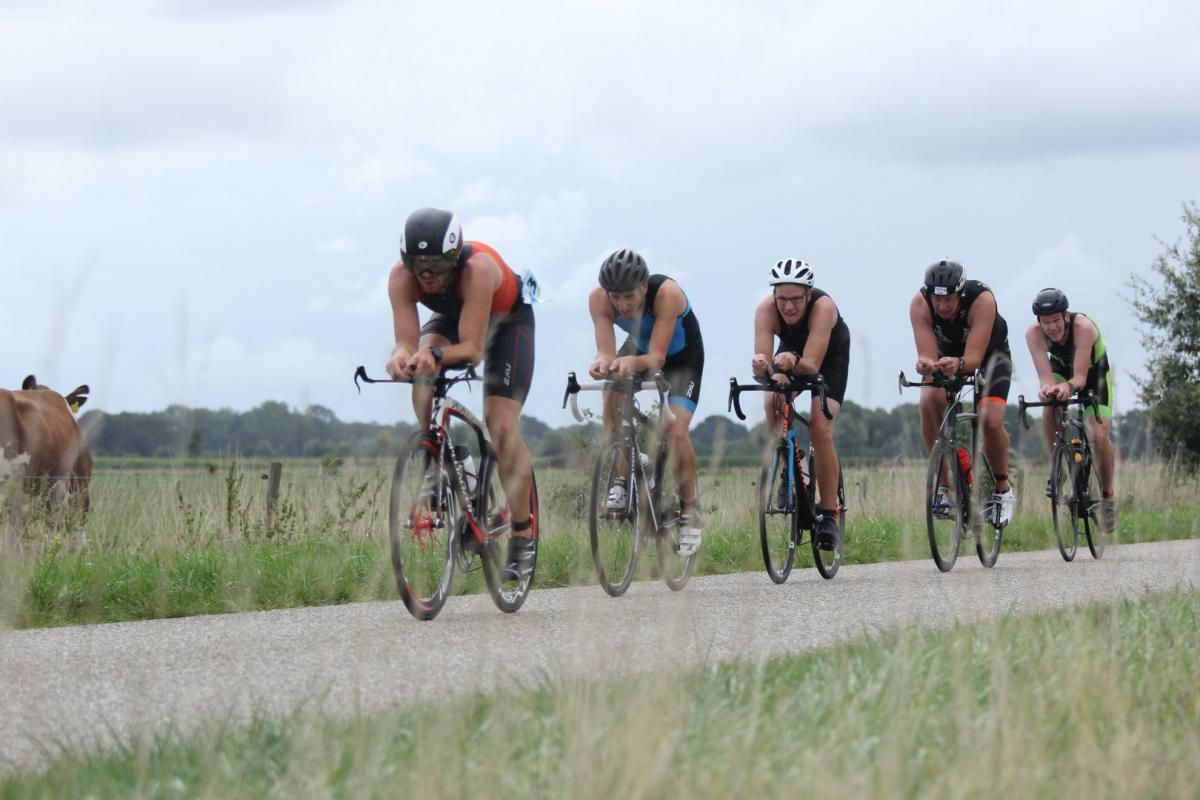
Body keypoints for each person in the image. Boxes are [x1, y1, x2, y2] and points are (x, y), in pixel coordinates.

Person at [385, 207, 536, 581]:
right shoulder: (401, 278)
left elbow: (472, 349)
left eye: (436, 263)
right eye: (418, 263)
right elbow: (405, 341)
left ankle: (522, 532)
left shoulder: (478, 269)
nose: (427, 273)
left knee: (500, 428)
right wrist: (402, 358)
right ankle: (440, 461)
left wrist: (433, 354)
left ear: (454, 255)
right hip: (455, 316)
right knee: (421, 371)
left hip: (507, 324)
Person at [587, 248, 705, 556]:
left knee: (676, 431)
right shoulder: (599, 299)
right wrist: (603, 363)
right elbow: (606, 350)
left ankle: (690, 510)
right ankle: (622, 476)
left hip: (681, 358)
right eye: (616, 298)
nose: (623, 306)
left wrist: (629, 363)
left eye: (629, 297)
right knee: (611, 392)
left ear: (643, 287)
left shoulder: (666, 294)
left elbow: (657, 358)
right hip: (639, 349)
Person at [750, 259, 850, 550]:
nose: (789, 307)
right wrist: (760, 365)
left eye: (795, 299)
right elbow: (764, 365)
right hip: (791, 355)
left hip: (827, 359)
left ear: (808, 294)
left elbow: (811, 364)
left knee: (820, 428)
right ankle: (789, 468)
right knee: (773, 399)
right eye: (782, 299)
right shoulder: (765, 310)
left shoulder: (824, 308)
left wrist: (793, 361)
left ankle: (829, 515)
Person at [909, 259, 1016, 525]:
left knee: (990, 420)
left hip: (989, 357)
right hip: (948, 354)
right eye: (937, 300)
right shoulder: (920, 304)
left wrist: (958, 365)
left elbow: (974, 359)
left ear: (961, 293)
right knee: (928, 402)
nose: (943, 307)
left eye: (950, 300)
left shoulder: (981, 299)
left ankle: (1003, 490)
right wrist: (926, 363)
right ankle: (945, 487)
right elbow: (927, 353)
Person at [1024, 287, 1117, 532]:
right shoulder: (1033, 334)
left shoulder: (1083, 328)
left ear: (1066, 316)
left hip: (1093, 374)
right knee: (1049, 405)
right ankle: (1057, 466)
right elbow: (1045, 377)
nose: (1052, 327)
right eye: (1046, 322)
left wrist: (1068, 386)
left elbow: (1080, 379)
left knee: (1098, 436)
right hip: (1061, 369)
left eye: (1056, 320)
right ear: (1039, 322)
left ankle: (1107, 497)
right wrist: (1047, 389)